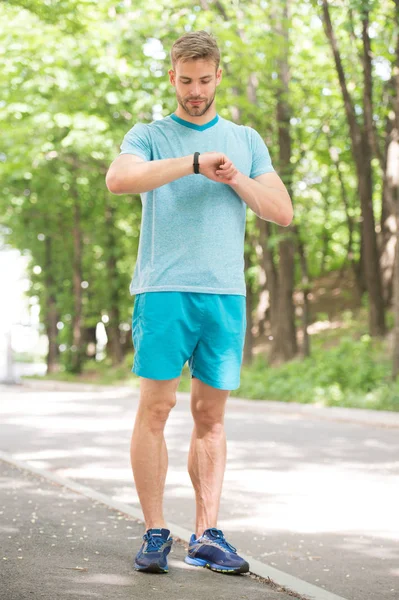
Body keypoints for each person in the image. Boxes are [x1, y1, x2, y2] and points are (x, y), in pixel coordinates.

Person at [106, 30, 293, 575]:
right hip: (163, 290)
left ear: (218, 76)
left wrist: (234, 177)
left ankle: (207, 534)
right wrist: (191, 163)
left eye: (204, 80)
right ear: (172, 77)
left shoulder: (245, 139)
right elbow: (120, 179)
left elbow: (279, 211)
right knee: (157, 408)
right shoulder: (150, 134)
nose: (194, 90)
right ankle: (155, 532)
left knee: (210, 416)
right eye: (185, 80)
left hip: (224, 295)